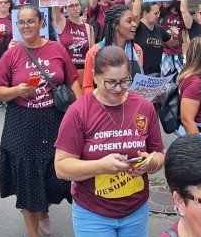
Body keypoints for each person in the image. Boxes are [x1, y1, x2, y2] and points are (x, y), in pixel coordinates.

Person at [55, 46, 165, 236]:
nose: (118, 88)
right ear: (95, 76)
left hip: (136, 210)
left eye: (124, 81)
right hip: (93, 214)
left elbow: (159, 155)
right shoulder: (79, 112)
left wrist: (150, 163)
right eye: (110, 82)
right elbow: (62, 168)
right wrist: (100, 166)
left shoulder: (144, 107)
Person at [0, 5, 83, 237]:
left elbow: (72, 80)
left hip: (55, 119)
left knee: (54, 173)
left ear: (41, 23)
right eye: (22, 22)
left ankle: (43, 210)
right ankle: (34, 232)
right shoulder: (10, 55)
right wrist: (16, 91)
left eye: (30, 21)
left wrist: (80, 111)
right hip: (22, 123)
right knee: (26, 179)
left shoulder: (57, 49)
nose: (26, 26)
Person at [82, 5, 144, 94]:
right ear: (115, 25)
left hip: (133, 104)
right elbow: (88, 86)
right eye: (129, 21)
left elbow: (139, 83)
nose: (134, 24)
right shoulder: (95, 52)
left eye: (134, 20)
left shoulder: (137, 50)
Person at [132, 0, 179, 77]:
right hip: (139, 74)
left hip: (156, 74)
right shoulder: (138, 27)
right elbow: (135, 15)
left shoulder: (159, 29)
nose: (158, 15)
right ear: (145, 13)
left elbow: (170, 43)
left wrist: (175, 37)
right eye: (155, 13)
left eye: (159, 13)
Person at [53, 0, 94, 87]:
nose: (75, 8)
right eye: (71, 6)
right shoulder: (62, 23)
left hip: (85, 72)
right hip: (67, 71)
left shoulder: (88, 28)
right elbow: (54, 9)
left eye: (77, 5)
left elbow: (92, 53)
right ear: (66, 8)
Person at [160, 0, 186, 78]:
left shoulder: (182, 14)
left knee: (180, 79)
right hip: (164, 51)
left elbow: (187, 30)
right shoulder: (162, 12)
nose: (165, 0)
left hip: (178, 51)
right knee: (165, 80)